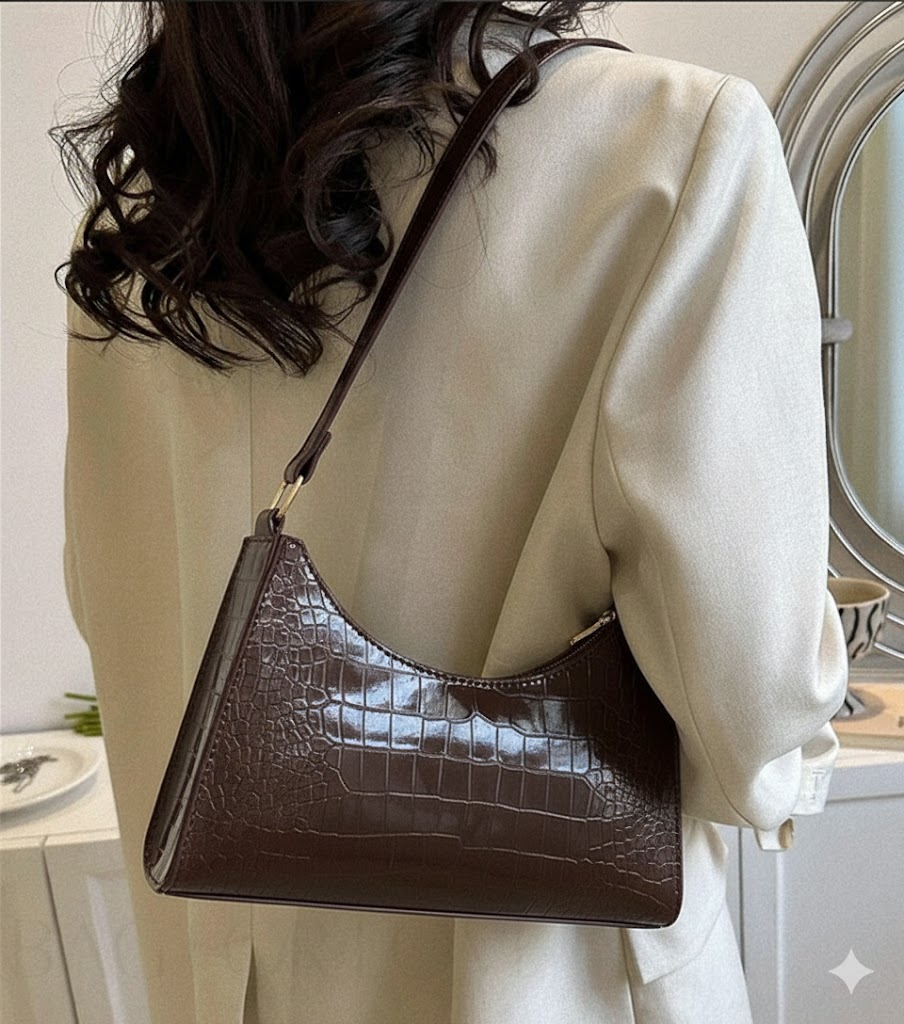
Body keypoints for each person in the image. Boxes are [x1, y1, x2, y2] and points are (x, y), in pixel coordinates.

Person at [56, 3, 848, 1022]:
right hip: (536, 985)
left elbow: (112, 601)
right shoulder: (667, 146)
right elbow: (752, 718)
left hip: (220, 986)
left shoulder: (144, 213)